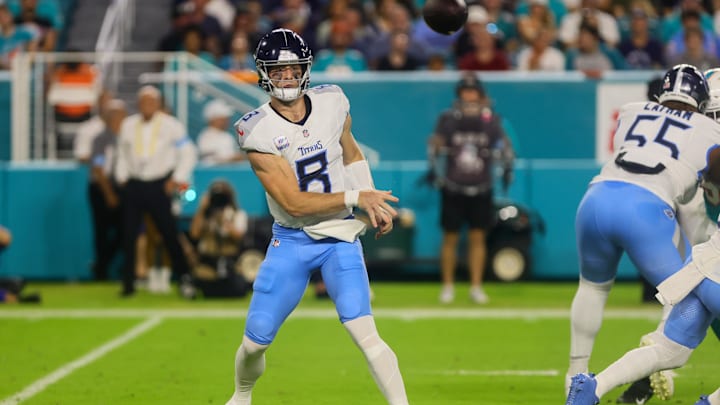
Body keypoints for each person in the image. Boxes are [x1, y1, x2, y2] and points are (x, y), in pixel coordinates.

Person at [224, 28, 409, 405]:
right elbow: (293, 203)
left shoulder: (332, 101)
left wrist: (371, 200)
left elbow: (352, 153)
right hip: (292, 240)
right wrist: (358, 195)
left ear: (306, 69)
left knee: (365, 332)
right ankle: (242, 395)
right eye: (278, 70)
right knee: (254, 341)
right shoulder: (256, 129)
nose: (287, 77)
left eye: (293, 69)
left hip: (339, 237)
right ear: (264, 74)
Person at [565, 64, 720, 405]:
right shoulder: (710, 135)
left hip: (598, 197)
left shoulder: (632, 113)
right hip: (653, 215)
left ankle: (585, 382)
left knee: (667, 348)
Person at [427, 72, 514, 304]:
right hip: (453, 186)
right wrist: (434, 158)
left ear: (481, 95)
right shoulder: (448, 119)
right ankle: (448, 286)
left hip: (481, 186)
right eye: (465, 91)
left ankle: (476, 286)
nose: (469, 96)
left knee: (478, 238)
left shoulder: (492, 120)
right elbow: (436, 146)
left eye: (473, 91)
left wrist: (507, 165)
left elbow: (505, 147)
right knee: (450, 238)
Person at [114, 85, 198, 298]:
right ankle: (128, 283)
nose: (147, 106)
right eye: (143, 102)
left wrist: (177, 178)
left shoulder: (171, 125)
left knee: (169, 233)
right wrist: (121, 177)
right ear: (138, 104)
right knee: (129, 234)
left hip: (159, 185)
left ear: (159, 104)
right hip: (134, 184)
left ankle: (184, 278)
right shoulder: (128, 125)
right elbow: (121, 153)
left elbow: (188, 153)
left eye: (151, 102)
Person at [188, 179, 249, 298]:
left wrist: (224, 222)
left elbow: (239, 237)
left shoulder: (237, 214)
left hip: (229, 262)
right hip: (208, 262)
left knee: (239, 287)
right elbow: (194, 234)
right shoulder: (205, 216)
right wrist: (201, 209)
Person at [197, 99, 245, 164]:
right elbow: (209, 161)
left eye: (226, 119)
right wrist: (233, 159)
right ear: (213, 119)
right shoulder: (205, 137)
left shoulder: (228, 136)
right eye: (223, 119)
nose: (226, 121)